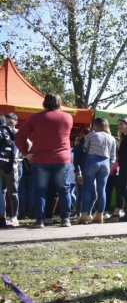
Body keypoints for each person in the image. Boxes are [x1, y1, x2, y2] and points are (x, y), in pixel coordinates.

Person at [15, 94, 74, 228]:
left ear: (44, 102)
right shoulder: (68, 117)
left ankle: (39, 220)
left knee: (40, 190)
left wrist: (26, 153)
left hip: (40, 158)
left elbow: (19, 136)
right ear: (59, 103)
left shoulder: (35, 118)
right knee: (64, 190)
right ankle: (66, 219)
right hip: (61, 158)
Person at [77, 118, 117, 224]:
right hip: (106, 163)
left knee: (87, 189)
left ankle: (84, 215)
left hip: (92, 161)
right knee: (102, 190)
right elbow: (113, 157)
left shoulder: (92, 135)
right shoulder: (112, 138)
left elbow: (85, 148)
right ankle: (100, 215)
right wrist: (110, 166)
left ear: (96, 125)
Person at [4, 113, 21, 226]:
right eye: (7, 122)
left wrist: (20, 157)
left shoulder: (18, 133)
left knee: (13, 193)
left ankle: (14, 216)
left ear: (16, 122)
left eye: (11, 122)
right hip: (4, 165)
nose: (9, 124)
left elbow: (28, 144)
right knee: (3, 192)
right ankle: (3, 216)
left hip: (14, 166)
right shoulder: (3, 132)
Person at [0, 115, 16, 228]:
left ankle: (2, 217)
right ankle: (11, 217)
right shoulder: (11, 132)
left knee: (1, 192)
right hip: (9, 165)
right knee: (12, 193)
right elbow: (27, 143)